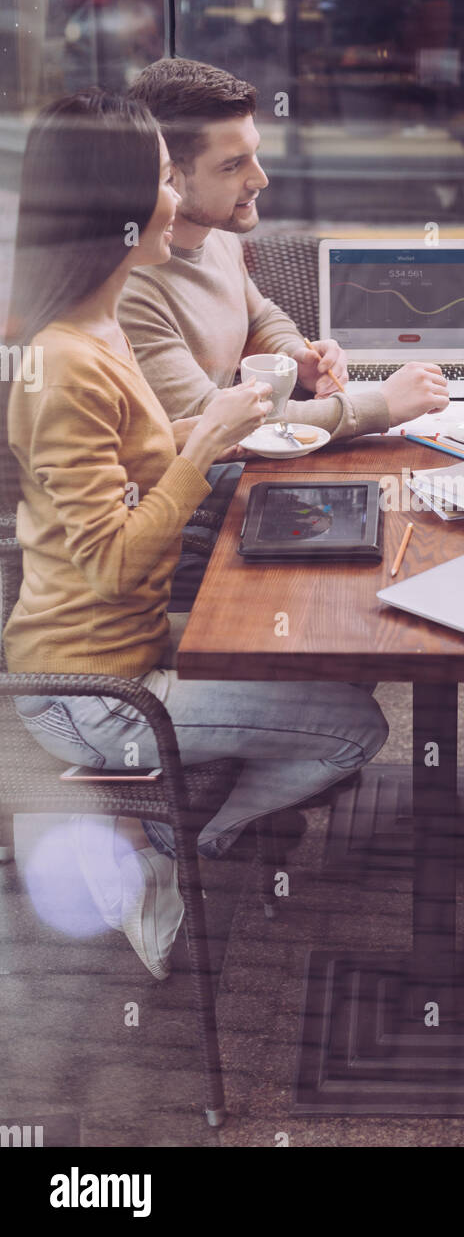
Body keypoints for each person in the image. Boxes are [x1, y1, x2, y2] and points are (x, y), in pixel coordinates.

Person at [3, 90, 389, 979]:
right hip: (93, 692)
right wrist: (209, 438)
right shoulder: (65, 361)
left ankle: (160, 828)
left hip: (124, 647)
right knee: (353, 730)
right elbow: (108, 561)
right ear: (129, 209)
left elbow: (134, 459)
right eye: (162, 178)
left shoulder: (95, 323)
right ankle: (179, 847)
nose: (177, 193)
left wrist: (211, 424)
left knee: (329, 641)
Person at [119, 58, 449, 605]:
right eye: (233, 166)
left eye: (256, 153)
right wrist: (379, 407)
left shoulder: (213, 233)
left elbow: (259, 312)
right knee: (392, 538)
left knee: (408, 518)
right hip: (187, 526)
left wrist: (295, 354)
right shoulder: (133, 286)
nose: (259, 178)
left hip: (236, 484)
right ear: (170, 176)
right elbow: (226, 429)